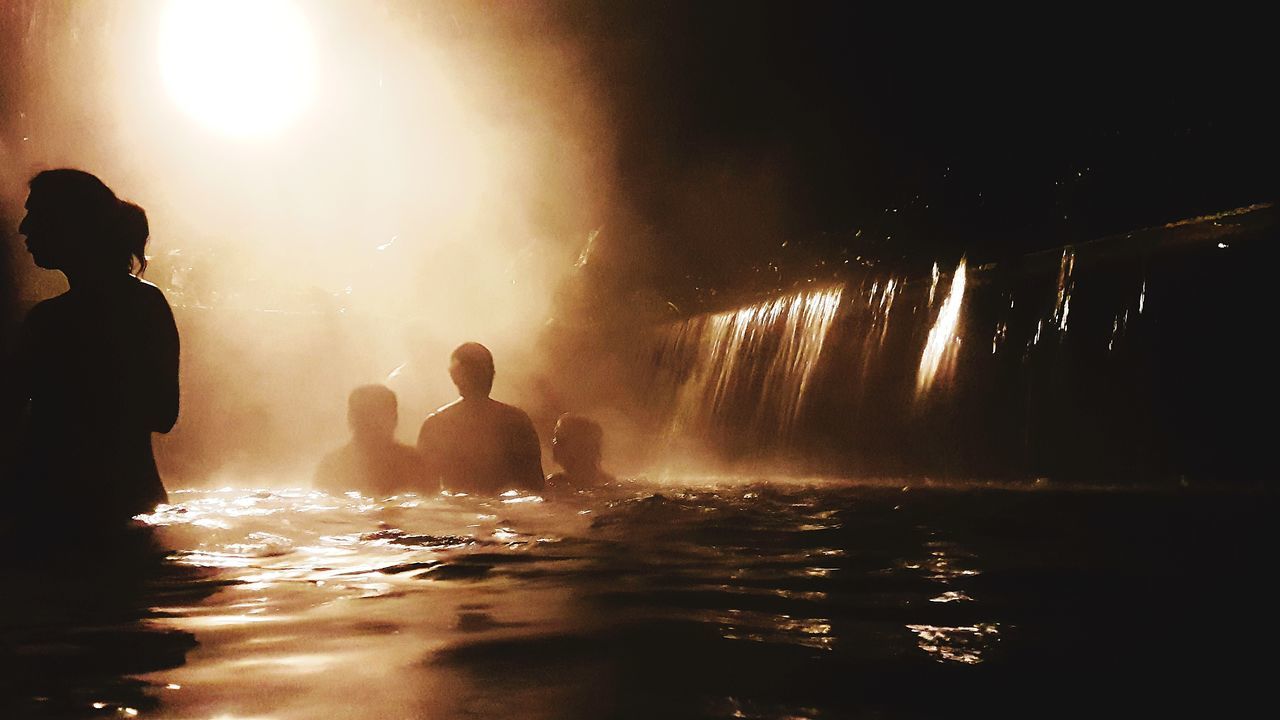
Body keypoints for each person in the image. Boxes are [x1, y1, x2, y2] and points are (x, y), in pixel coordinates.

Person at [8, 169, 179, 528]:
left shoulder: (49, 321)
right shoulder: (146, 303)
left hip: (57, 514)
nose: (24, 228)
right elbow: (163, 414)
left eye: (35, 214)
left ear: (71, 223)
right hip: (133, 504)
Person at [416, 342, 543, 495]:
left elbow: (425, 493)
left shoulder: (436, 425)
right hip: (510, 512)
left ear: (454, 376)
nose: (485, 376)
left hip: (457, 513)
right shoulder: (516, 421)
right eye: (478, 371)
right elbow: (536, 488)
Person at [315, 384, 420, 496]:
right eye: (364, 416)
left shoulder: (413, 463)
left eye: (377, 416)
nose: (372, 423)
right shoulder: (332, 466)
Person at [546, 413, 615, 496]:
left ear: (581, 446)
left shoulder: (554, 484)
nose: (554, 444)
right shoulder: (609, 483)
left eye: (560, 440)